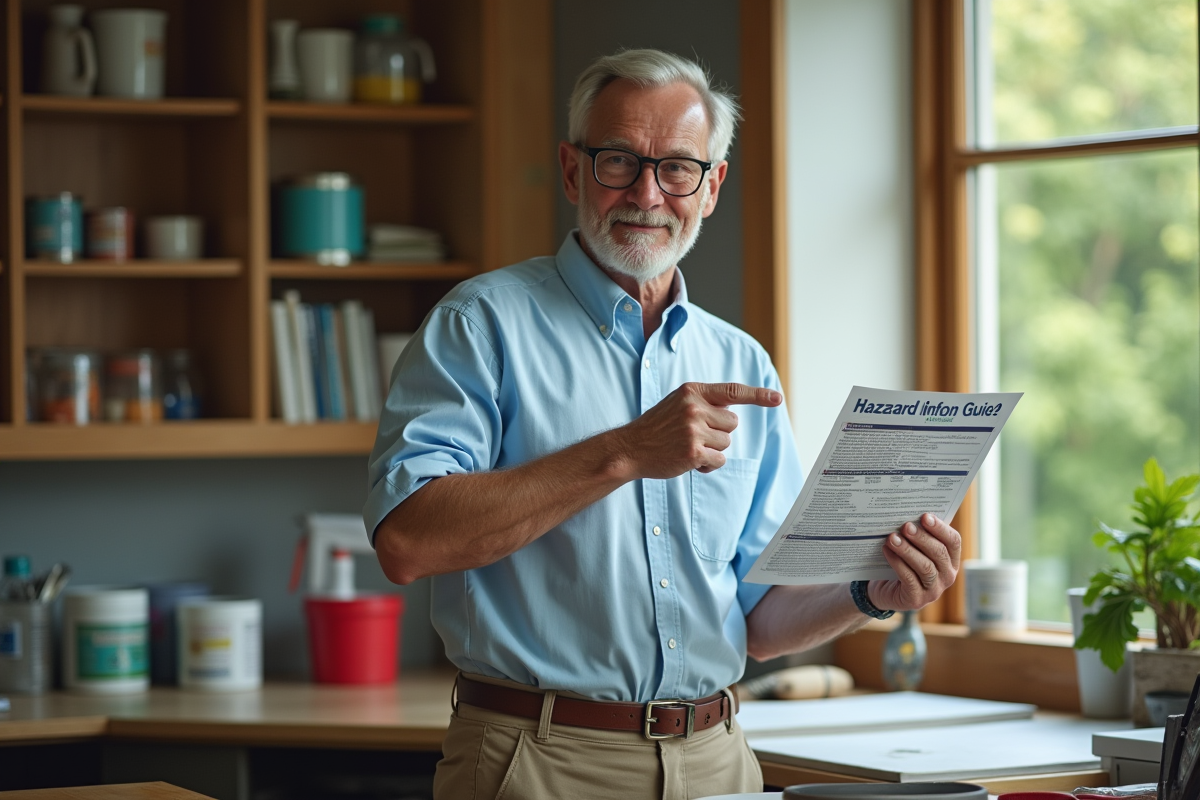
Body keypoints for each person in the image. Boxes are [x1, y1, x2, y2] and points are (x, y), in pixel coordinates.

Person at [365, 48, 961, 800]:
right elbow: (409, 541)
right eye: (618, 160)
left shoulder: (740, 361)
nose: (647, 193)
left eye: (678, 167)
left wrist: (874, 592)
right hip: (538, 760)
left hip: (718, 763)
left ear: (710, 187)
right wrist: (624, 452)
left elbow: (760, 616)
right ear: (573, 170)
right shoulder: (479, 325)